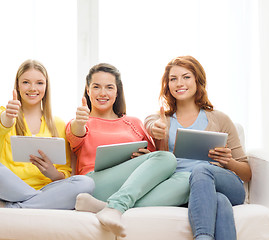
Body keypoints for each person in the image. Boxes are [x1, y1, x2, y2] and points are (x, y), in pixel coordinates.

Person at [64, 63, 190, 237]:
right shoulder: (79, 123)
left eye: (109, 87)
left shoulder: (134, 123)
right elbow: (76, 134)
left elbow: (156, 161)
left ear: (117, 91)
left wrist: (146, 156)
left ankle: (106, 206)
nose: (102, 93)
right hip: (95, 184)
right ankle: (115, 205)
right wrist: (80, 121)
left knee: (188, 180)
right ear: (87, 89)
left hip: (130, 187)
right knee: (168, 158)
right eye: (96, 87)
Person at [144, 56, 251, 240]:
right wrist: (157, 131)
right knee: (220, 201)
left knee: (202, 170)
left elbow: (246, 173)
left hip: (225, 183)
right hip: (186, 189)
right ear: (167, 85)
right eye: (173, 79)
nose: (179, 83)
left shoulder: (219, 119)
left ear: (197, 80)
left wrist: (228, 162)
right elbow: (150, 125)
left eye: (186, 77)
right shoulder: (163, 120)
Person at [0, 59, 94, 209]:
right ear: (17, 85)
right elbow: (3, 122)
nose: (33, 88)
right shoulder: (2, 114)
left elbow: (64, 172)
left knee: (86, 183)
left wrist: (52, 173)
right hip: (8, 188)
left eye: (39, 83)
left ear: (46, 87)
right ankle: (39, 204)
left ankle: (13, 207)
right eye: (26, 82)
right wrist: (9, 115)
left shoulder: (57, 124)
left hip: (46, 190)